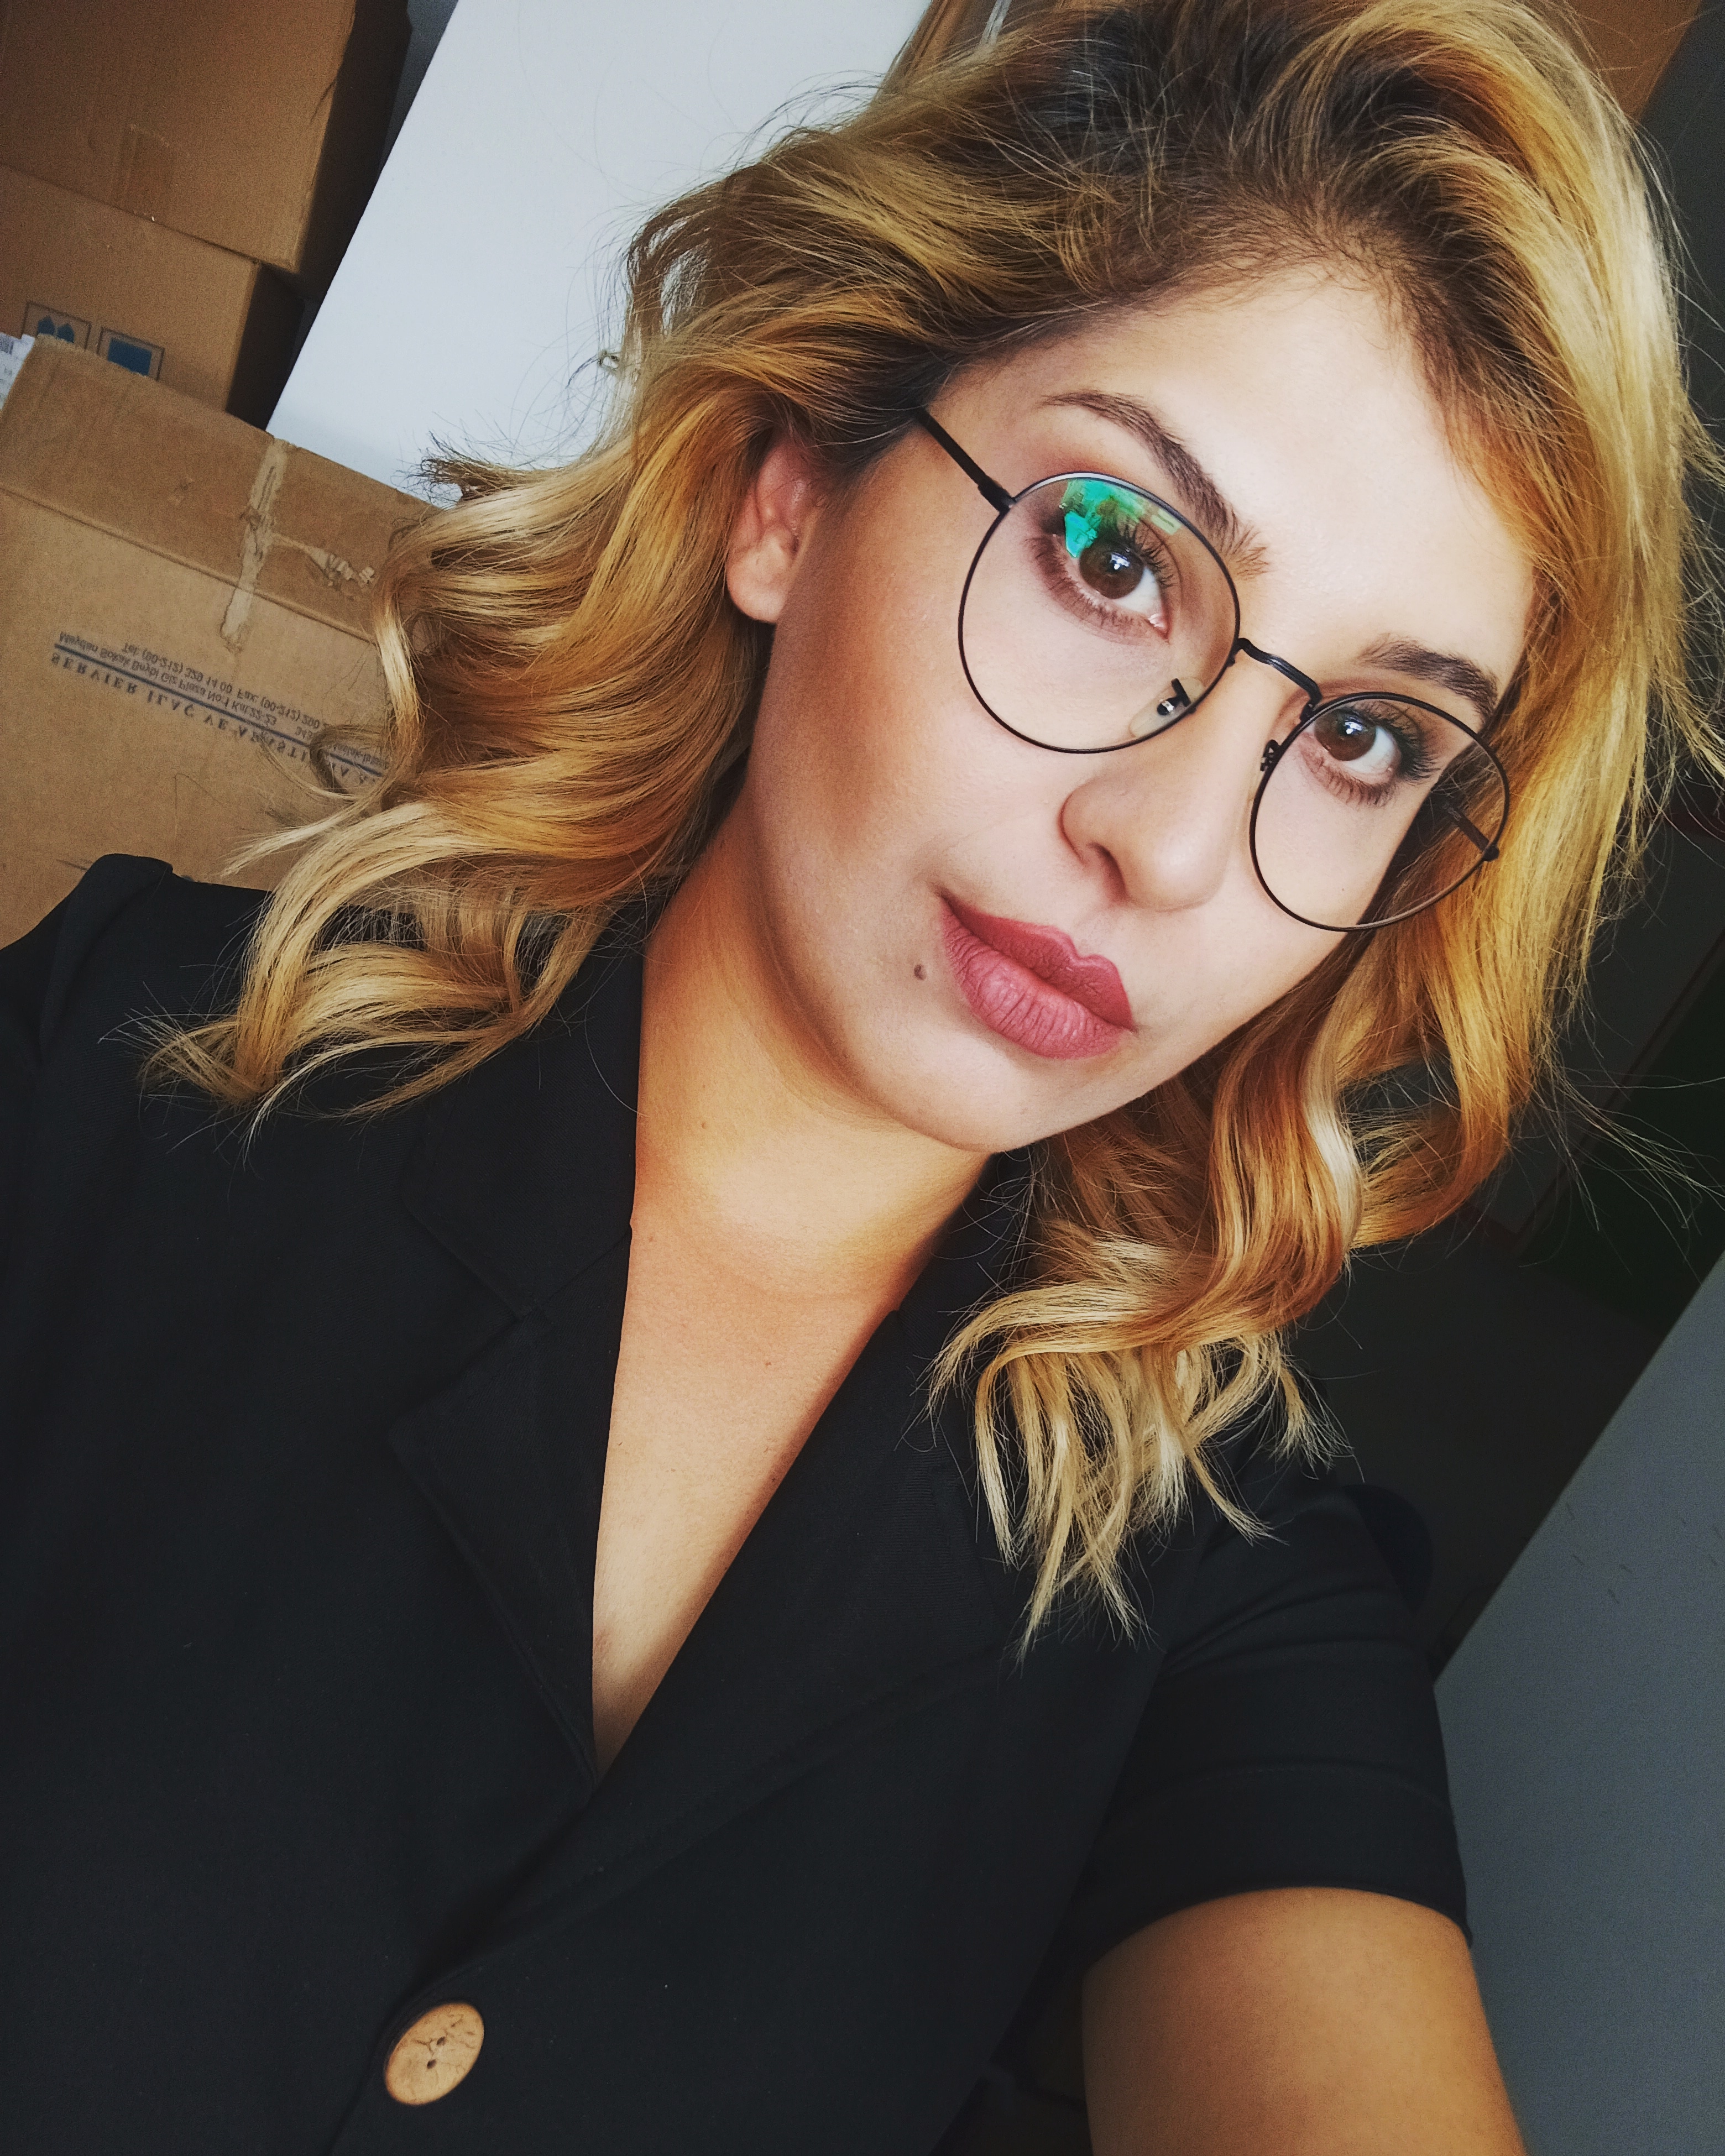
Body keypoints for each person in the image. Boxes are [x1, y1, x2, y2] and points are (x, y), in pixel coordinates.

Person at [0, 0, 1714, 2149]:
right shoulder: (127, 1069)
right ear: (788, 489)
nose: (1174, 844)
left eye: (1366, 738)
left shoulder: (1215, 1582)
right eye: (1113, 556)